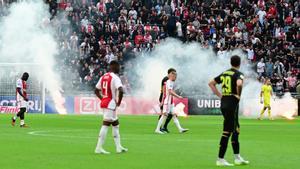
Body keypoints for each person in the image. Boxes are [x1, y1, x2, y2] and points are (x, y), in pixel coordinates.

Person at [208, 55, 249, 166]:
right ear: (239, 63)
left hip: (224, 101)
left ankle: (237, 157)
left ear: (230, 63)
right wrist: (238, 95)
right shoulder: (239, 74)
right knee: (227, 130)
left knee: (235, 128)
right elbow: (239, 84)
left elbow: (211, 83)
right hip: (232, 102)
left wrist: (220, 95)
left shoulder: (225, 73)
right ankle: (220, 159)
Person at [94, 61, 128, 154]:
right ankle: (98, 148)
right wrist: (119, 102)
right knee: (106, 124)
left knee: (116, 124)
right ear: (115, 67)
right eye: (118, 66)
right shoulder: (115, 77)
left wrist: (102, 98)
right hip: (111, 103)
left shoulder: (104, 76)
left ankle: (118, 147)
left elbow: (96, 90)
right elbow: (121, 90)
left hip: (106, 102)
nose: (119, 68)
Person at [158, 68, 176, 133]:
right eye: (173, 73)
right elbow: (165, 90)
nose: (174, 75)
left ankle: (164, 126)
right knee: (163, 113)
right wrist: (162, 100)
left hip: (169, 98)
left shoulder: (171, 80)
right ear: (169, 73)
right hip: (164, 97)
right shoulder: (166, 79)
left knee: (170, 113)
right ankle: (159, 128)